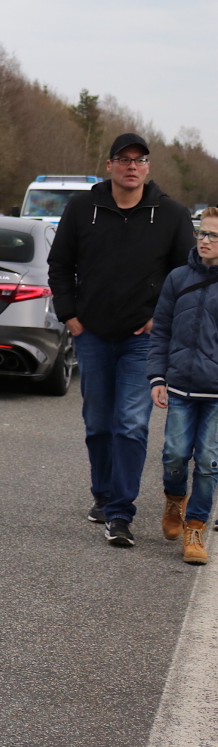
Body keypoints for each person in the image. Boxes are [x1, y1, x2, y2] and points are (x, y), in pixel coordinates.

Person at [48, 132, 195, 547]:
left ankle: (120, 514)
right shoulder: (81, 208)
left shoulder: (171, 214)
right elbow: (59, 265)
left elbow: (183, 276)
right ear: (110, 165)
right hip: (91, 334)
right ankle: (103, 493)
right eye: (124, 159)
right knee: (98, 423)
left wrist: (157, 319)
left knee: (130, 424)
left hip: (142, 341)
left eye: (140, 160)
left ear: (148, 167)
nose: (132, 166)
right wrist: (71, 316)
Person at [147, 207, 218, 565]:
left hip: (216, 394)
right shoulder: (177, 278)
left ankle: (195, 527)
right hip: (180, 387)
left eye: (213, 235)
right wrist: (157, 377)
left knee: (208, 461)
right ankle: (174, 499)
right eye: (201, 233)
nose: (205, 240)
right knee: (175, 454)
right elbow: (160, 331)